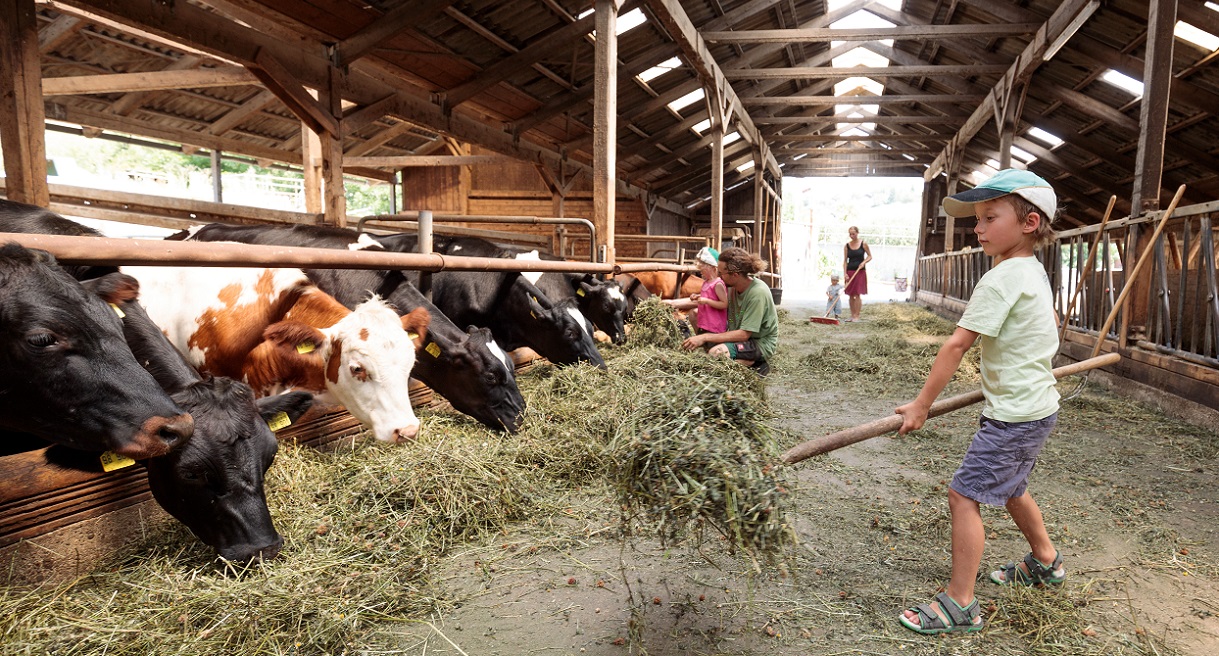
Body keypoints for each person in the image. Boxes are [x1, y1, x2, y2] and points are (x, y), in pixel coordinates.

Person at [894, 169, 1063, 635]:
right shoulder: (1032, 271)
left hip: (1014, 415)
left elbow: (956, 345)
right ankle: (1046, 561)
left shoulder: (1001, 279)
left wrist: (921, 404)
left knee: (963, 495)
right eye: (978, 219)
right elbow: (1047, 324)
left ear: (1029, 222)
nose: (979, 227)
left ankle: (960, 603)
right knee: (1011, 488)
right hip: (1036, 405)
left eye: (990, 217)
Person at [680, 247, 778, 375]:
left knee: (716, 354)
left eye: (721, 273)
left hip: (759, 343)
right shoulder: (731, 286)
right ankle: (735, 356)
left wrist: (704, 337)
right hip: (735, 336)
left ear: (735, 275)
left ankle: (756, 364)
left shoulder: (757, 293)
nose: (719, 276)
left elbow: (744, 335)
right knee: (695, 314)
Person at [663, 247, 727, 335]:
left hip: (715, 325)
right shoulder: (706, 283)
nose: (700, 272)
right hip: (705, 322)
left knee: (712, 345)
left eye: (702, 270)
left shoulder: (718, 284)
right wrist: (697, 297)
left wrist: (706, 301)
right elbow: (708, 296)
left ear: (713, 268)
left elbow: (724, 304)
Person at [842, 226, 872, 322]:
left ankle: (857, 316)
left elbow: (870, 256)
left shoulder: (863, 244)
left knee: (857, 294)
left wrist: (864, 262)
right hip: (850, 272)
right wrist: (845, 273)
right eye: (850, 234)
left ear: (857, 233)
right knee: (851, 294)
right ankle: (852, 315)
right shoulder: (847, 246)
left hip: (860, 272)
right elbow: (845, 261)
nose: (851, 236)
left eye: (853, 234)